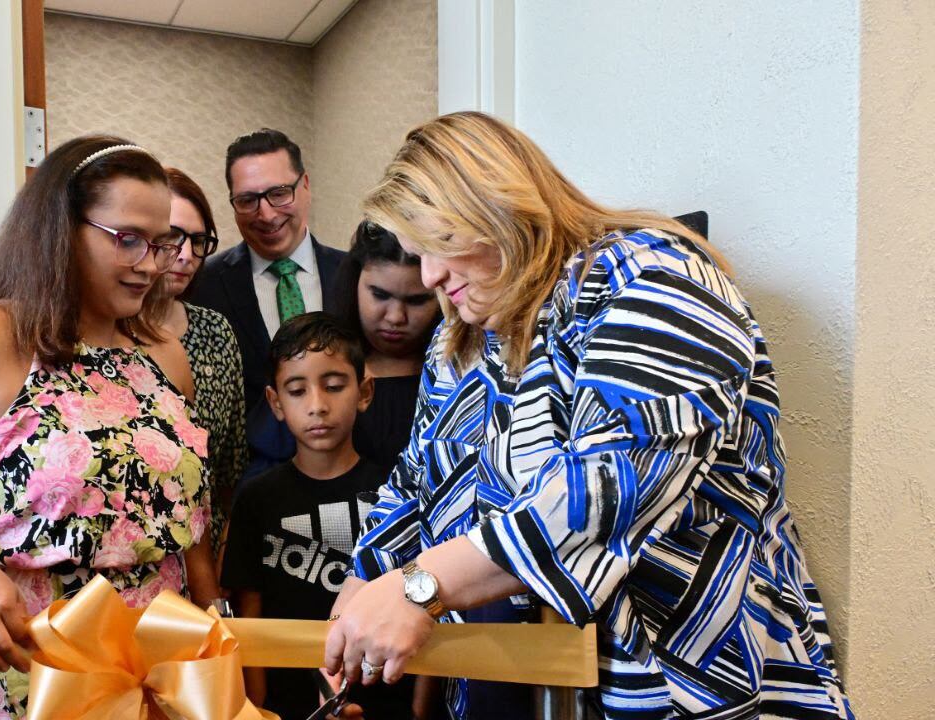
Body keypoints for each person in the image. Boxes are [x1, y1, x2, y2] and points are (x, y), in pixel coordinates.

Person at [323, 112, 854, 720]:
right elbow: (419, 480)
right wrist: (356, 601)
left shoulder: (656, 283)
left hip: (683, 679)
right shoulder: (462, 338)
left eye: (439, 247)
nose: (431, 278)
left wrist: (420, 588)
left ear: (494, 205)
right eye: (419, 256)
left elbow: (601, 493)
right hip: (510, 684)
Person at [0, 137, 219, 720]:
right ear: (62, 228)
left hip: (161, 670)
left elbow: (191, 523)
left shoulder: (164, 355)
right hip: (37, 670)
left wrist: (214, 621)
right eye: (129, 239)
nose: (153, 264)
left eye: (163, 243)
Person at [221, 312, 415, 720]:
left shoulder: (395, 493)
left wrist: (418, 711)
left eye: (333, 386)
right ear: (275, 402)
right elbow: (248, 615)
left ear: (364, 391)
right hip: (285, 704)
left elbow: (426, 603)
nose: (317, 406)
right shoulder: (257, 499)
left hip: (386, 697)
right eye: (297, 390)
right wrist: (256, 709)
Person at [191, 129, 346, 482]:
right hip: (247, 489)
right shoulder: (204, 286)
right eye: (247, 200)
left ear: (305, 185)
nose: (265, 213)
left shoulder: (356, 276)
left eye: (278, 193)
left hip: (348, 482)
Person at [150, 167, 247, 556]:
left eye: (199, 240)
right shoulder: (105, 334)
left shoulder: (214, 330)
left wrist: (225, 543)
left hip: (208, 545)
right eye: (174, 237)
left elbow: (231, 461)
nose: (187, 255)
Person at [332, 220, 440, 467]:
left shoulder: (459, 376)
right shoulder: (321, 361)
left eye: (416, 301)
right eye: (380, 295)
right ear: (354, 282)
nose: (395, 317)